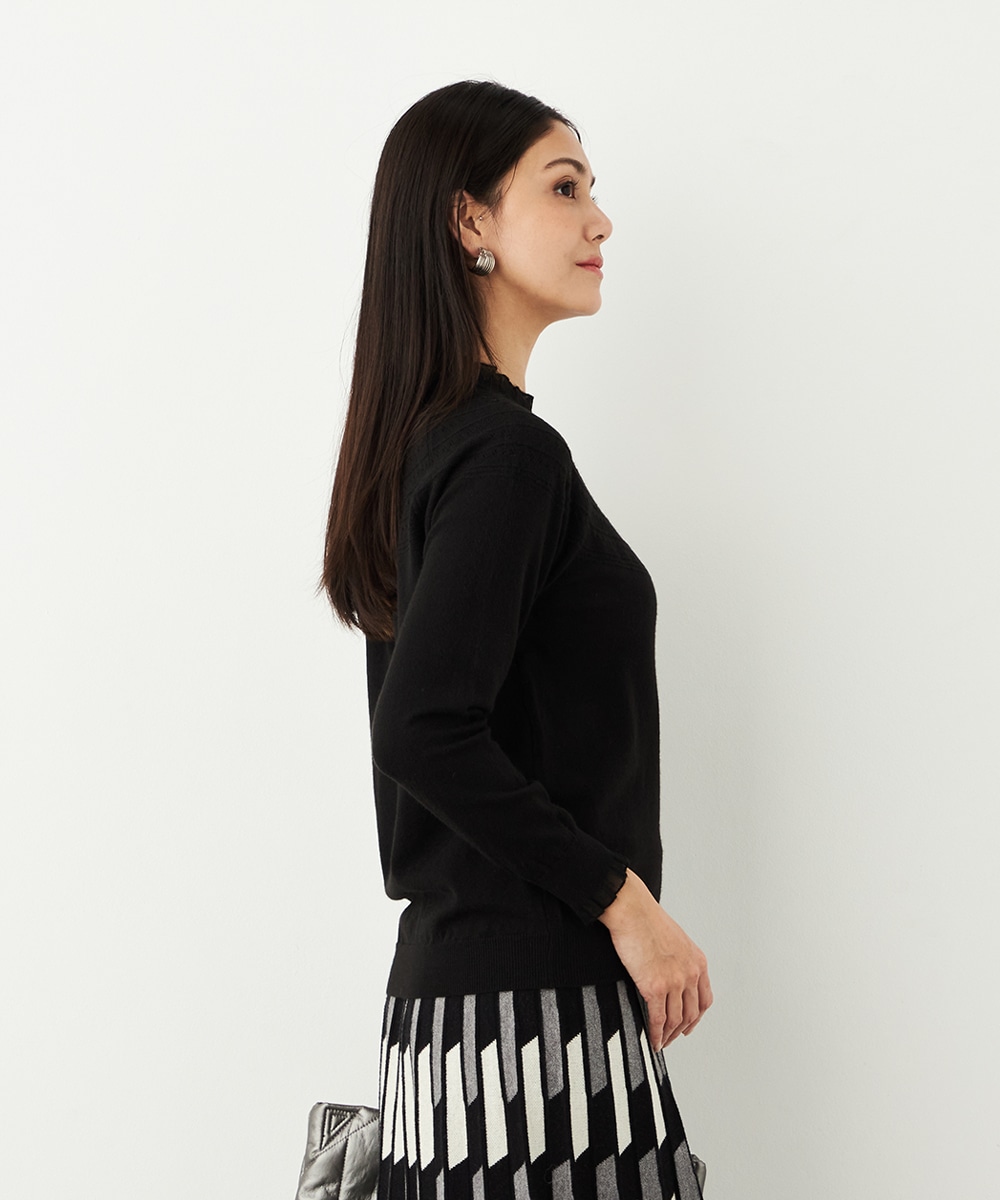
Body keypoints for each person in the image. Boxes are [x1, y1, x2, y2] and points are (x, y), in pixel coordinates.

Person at [321, 79, 713, 1200]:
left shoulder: (431, 449)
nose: (600, 220)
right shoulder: (504, 458)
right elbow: (423, 728)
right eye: (564, 187)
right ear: (469, 221)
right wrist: (626, 903)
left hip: (458, 1025)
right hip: (531, 1024)